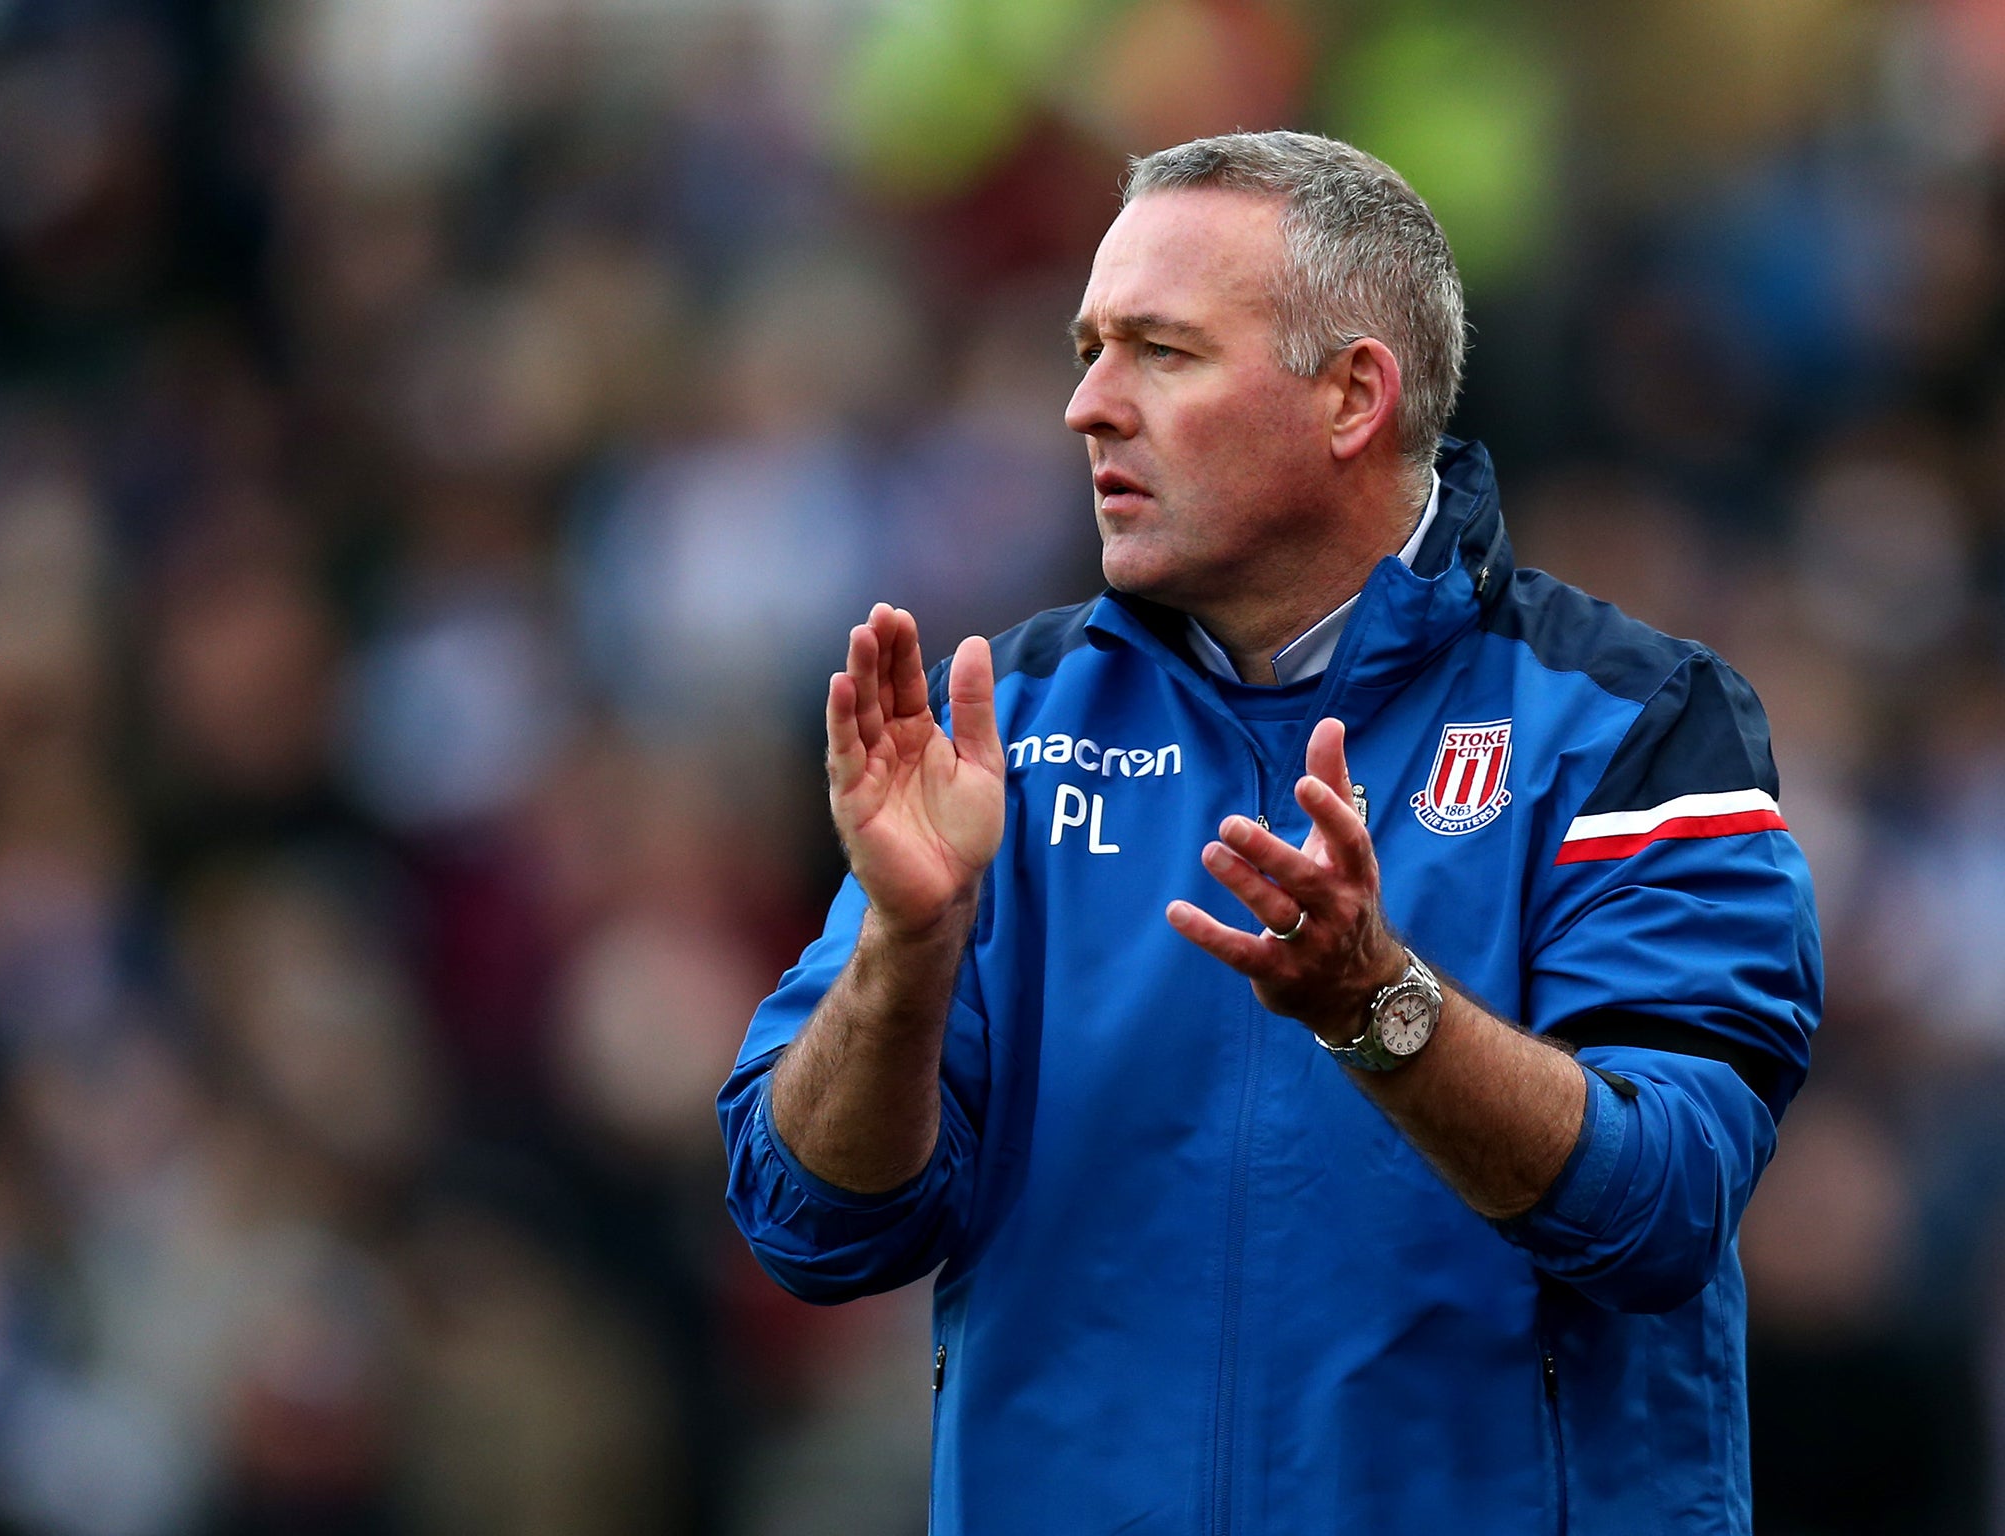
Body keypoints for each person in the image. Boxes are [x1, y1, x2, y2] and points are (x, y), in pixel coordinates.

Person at [719, 130, 1820, 1536]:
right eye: (1086, 347)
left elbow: (1662, 1205)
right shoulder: (1006, 726)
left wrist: (1386, 1009)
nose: (1087, 407)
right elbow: (809, 1224)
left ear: (1354, 395)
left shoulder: (1634, 727)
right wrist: (907, 947)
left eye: (1161, 352)